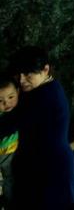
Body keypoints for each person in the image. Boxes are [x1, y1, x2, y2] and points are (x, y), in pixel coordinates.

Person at [2, 46, 74, 210]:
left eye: (28, 74)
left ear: (45, 69)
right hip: (41, 170)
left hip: (50, 173)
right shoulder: (45, 88)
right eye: (19, 74)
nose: (21, 80)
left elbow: (7, 125)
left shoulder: (44, 96)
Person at [0, 74, 19, 209]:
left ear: (18, 92)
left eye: (11, 97)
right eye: (0, 101)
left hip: (11, 155)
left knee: (11, 181)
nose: (6, 103)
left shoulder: (22, 109)